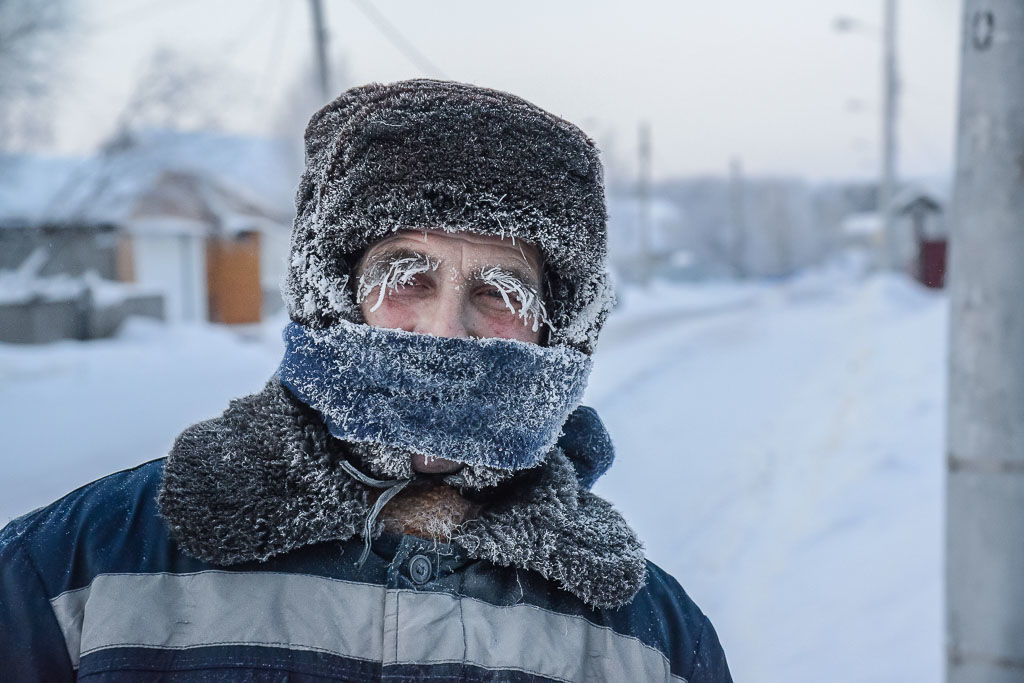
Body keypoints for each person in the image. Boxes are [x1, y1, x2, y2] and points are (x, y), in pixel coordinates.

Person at [0, 79, 732, 681]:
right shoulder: (79, 571)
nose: (445, 328)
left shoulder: (653, 644)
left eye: (502, 292)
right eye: (405, 275)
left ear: (557, 330)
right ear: (334, 293)